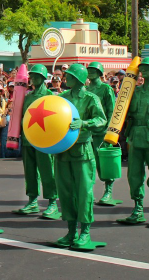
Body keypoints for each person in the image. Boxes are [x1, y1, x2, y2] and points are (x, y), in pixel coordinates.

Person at [53, 64, 106, 250]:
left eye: (70, 76)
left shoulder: (91, 98)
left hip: (83, 151)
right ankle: (70, 231)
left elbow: (101, 120)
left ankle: (85, 232)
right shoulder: (61, 98)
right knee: (66, 193)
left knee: (84, 193)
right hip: (63, 151)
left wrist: (84, 123)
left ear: (79, 79)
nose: (66, 78)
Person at [13, 65, 59, 219]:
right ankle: (32, 200)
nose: (33, 78)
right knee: (30, 172)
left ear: (43, 77)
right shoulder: (27, 97)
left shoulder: (50, 96)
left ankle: (52, 202)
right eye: (31, 75)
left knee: (47, 171)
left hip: (44, 140)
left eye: (36, 75)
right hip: (28, 139)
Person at [117, 57, 149, 225]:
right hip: (136, 136)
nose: (145, 71)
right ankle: (138, 209)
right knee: (134, 174)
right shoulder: (134, 91)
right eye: (143, 68)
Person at [86, 61, 118, 206]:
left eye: (94, 70)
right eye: (89, 70)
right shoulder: (85, 89)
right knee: (88, 164)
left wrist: (110, 132)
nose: (91, 72)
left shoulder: (106, 89)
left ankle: (108, 191)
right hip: (88, 132)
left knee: (104, 163)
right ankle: (88, 192)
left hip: (102, 132)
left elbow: (112, 111)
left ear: (100, 73)